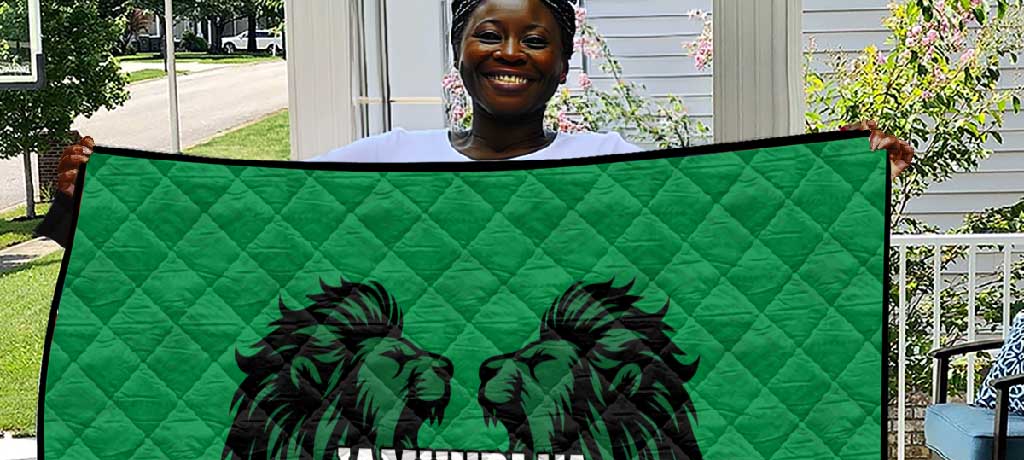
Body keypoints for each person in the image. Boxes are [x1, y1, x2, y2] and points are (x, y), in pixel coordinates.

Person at [37, 0, 914, 247]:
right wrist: (100, 202)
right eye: (489, 33)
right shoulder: (383, 158)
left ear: (563, 62)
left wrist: (842, 184)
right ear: (459, 51)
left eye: (536, 38)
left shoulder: (614, 163)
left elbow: (731, 235)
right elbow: (249, 230)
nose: (511, 52)